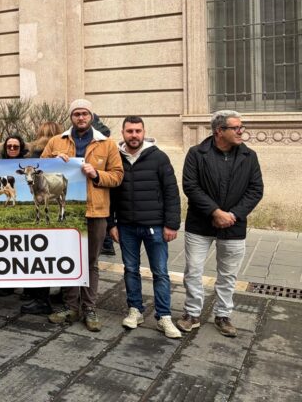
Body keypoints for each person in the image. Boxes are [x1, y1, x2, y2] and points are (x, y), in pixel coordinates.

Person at [177, 110, 263, 338]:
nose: (240, 131)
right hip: (200, 224)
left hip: (234, 226)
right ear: (219, 131)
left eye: (240, 127)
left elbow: (256, 190)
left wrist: (232, 215)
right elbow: (190, 186)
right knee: (193, 270)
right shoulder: (196, 154)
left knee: (228, 275)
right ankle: (192, 313)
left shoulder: (249, 156)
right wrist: (215, 211)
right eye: (235, 128)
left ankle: (223, 315)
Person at [43, 99, 123, 332]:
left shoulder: (106, 144)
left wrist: (96, 174)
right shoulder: (56, 141)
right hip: (67, 212)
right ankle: (70, 306)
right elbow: (40, 168)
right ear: (71, 117)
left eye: (84, 113)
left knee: (90, 262)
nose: (80, 117)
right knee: (68, 259)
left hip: (95, 211)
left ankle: (89, 307)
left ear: (91, 116)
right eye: (76, 114)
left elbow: (117, 176)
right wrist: (52, 163)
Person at [108, 116, 182, 339]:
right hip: (127, 226)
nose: (134, 135)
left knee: (160, 272)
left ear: (143, 132)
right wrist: (111, 223)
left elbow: (171, 192)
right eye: (129, 131)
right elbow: (109, 193)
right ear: (122, 133)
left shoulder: (158, 157)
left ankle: (164, 316)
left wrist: (171, 224)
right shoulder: (116, 158)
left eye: (137, 131)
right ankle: (135, 310)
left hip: (155, 227)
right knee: (131, 269)